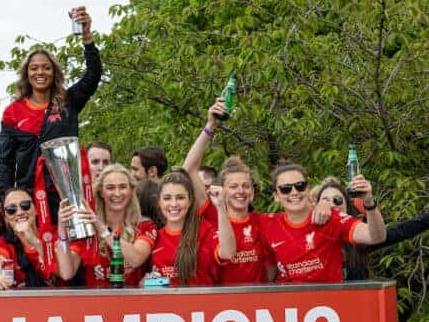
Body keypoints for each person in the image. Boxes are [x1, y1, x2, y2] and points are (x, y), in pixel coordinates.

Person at [0, 6, 101, 224]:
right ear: (26, 74)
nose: (40, 72)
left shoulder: (67, 102)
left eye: (46, 68)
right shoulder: (12, 112)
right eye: (34, 68)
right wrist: (6, 197)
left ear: (54, 73)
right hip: (29, 199)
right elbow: (6, 163)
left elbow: (93, 75)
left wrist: (87, 37)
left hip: (65, 197)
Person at [182, 99, 271, 283]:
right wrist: (210, 126)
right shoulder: (212, 213)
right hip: (221, 304)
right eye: (234, 186)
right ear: (223, 191)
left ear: (253, 192)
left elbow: (270, 271)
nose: (241, 191)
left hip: (257, 305)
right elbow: (189, 169)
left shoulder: (261, 222)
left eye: (246, 186)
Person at [260, 162, 387, 282]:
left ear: (308, 189)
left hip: (329, 302)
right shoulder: (268, 223)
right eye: (285, 189)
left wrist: (369, 201)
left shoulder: (331, 218)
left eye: (300, 186)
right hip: (288, 303)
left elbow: (376, 237)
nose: (294, 192)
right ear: (276, 196)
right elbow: (267, 278)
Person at [55, 164, 157, 286]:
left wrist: (101, 228)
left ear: (131, 190)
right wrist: (62, 229)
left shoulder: (145, 226)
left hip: (132, 302)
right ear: (101, 192)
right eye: (110, 188)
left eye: (123, 187)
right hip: (96, 302)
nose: (117, 193)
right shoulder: (88, 228)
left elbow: (135, 259)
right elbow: (67, 273)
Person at [149, 169, 236, 286]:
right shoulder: (154, 237)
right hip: (166, 303)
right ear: (159, 202)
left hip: (203, 303)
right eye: (167, 198)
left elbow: (228, 253)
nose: (174, 204)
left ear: (190, 201)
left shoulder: (205, 230)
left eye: (180, 198)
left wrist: (220, 206)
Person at [0, 189, 53, 290]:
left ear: (36, 209)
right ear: (6, 218)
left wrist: (34, 242)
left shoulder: (52, 235)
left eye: (25, 205)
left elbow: (60, 274)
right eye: (11, 210)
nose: (20, 212)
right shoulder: (6, 243)